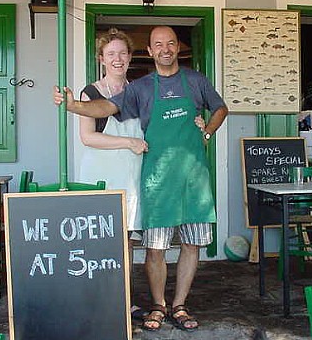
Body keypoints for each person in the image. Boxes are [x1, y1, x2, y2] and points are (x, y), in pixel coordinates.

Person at [53, 25, 229, 332]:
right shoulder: (142, 87)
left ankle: (180, 305)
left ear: (177, 47)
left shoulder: (195, 80)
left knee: (191, 244)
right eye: (158, 44)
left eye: (170, 43)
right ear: (150, 52)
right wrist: (73, 105)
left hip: (192, 178)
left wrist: (207, 130)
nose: (165, 49)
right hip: (154, 180)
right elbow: (106, 108)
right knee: (151, 247)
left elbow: (220, 108)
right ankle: (156, 305)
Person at [77, 28, 149, 321]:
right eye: (111, 54)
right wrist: (128, 142)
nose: (117, 59)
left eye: (122, 53)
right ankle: (98, 300)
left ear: (130, 57)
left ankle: (125, 299)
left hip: (131, 176)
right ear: (101, 59)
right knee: (101, 240)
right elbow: (87, 137)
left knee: (127, 240)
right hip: (101, 175)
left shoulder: (140, 92)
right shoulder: (90, 93)